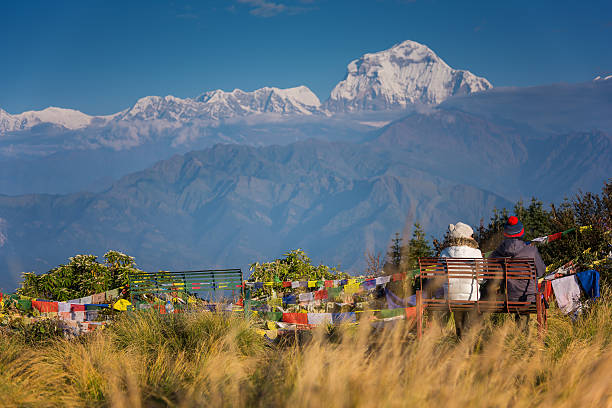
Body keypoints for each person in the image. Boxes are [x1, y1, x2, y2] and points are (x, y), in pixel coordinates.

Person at [489, 216, 546, 328]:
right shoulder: (531, 251)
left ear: (505, 233)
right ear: (521, 232)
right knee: (523, 307)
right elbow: (541, 272)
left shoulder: (498, 252)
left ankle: (496, 333)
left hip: (506, 296)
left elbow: (490, 270)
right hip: (528, 297)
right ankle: (521, 337)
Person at [439, 222, 483, 338]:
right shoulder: (476, 253)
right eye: (471, 235)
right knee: (470, 309)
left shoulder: (444, 253)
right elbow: (481, 278)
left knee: (458, 306)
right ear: (466, 237)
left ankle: (460, 339)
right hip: (471, 297)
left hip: (450, 296)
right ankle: (468, 344)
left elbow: (438, 277)